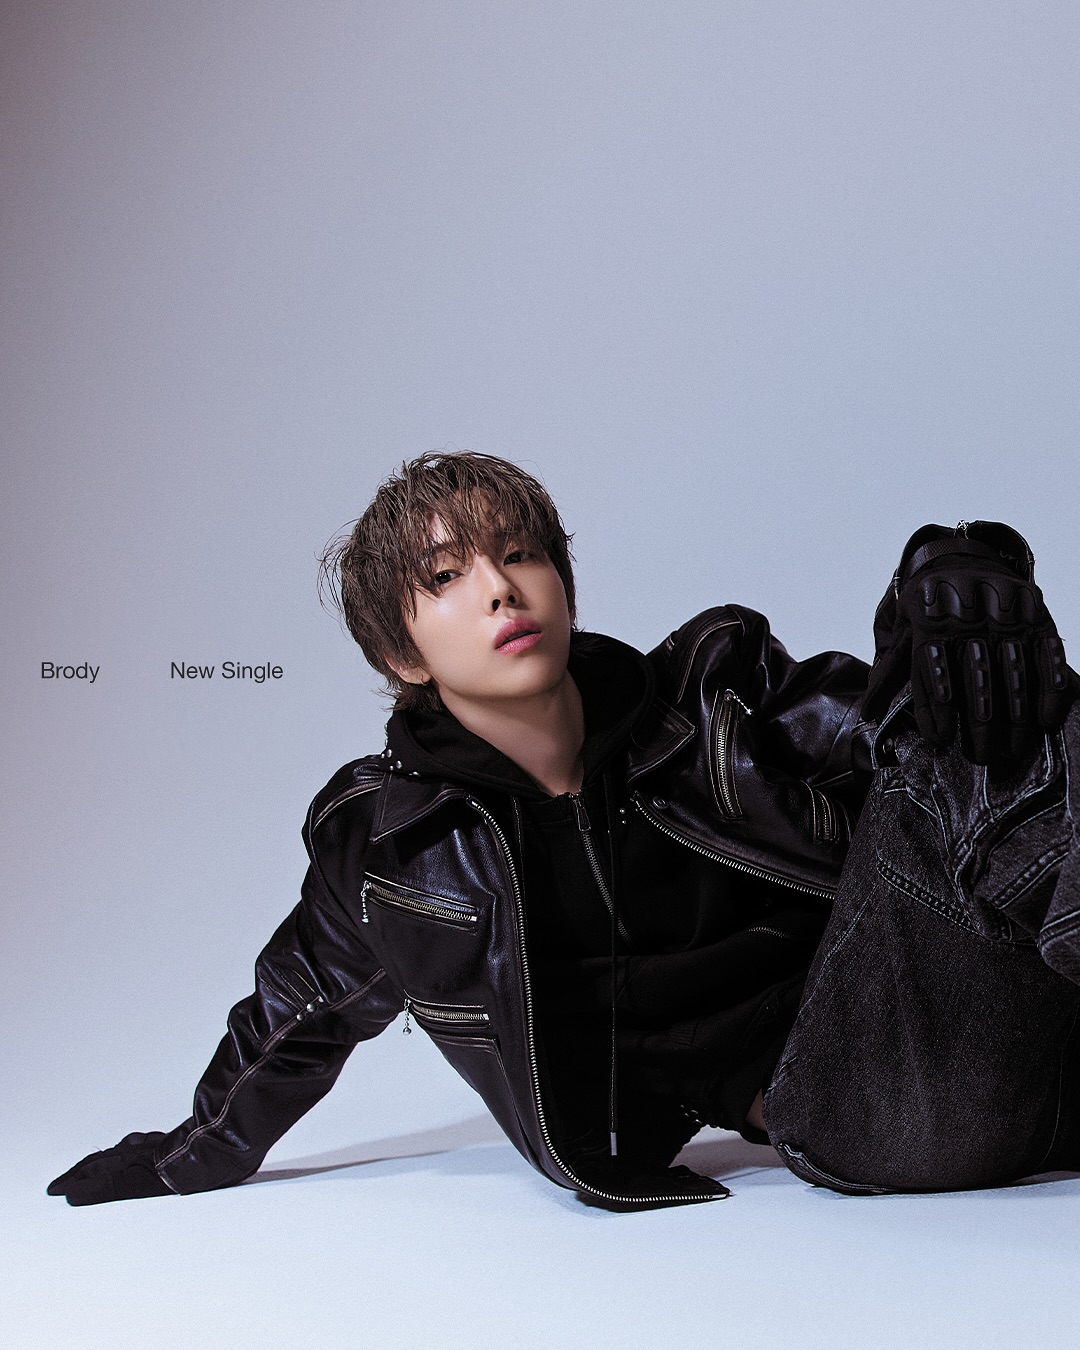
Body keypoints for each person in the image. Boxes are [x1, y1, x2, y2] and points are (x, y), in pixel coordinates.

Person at [48, 452, 1078, 1211]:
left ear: (564, 588)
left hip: (1010, 1018)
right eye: (445, 577)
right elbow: (299, 1012)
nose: (500, 587)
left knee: (989, 700)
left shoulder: (715, 692)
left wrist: (948, 579)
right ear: (400, 651)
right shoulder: (394, 846)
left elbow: (918, 745)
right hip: (861, 1095)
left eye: (520, 554)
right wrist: (192, 1153)